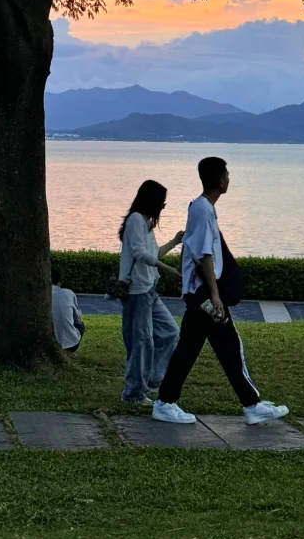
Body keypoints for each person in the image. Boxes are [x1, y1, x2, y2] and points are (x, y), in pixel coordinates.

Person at [154, 157, 289, 425]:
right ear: (220, 180)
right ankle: (251, 405)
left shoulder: (201, 208)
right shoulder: (203, 210)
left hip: (199, 294)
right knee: (227, 345)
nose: (229, 179)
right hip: (205, 294)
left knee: (192, 347)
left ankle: (166, 402)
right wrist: (215, 295)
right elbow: (205, 255)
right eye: (227, 175)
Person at [118, 180, 183, 402]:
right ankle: (133, 393)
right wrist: (168, 270)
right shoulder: (136, 220)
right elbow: (139, 253)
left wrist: (175, 242)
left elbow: (153, 254)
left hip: (149, 291)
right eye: (162, 202)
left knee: (171, 332)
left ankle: (153, 379)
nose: (163, 207)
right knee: (142, 341)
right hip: (137, 291)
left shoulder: (145, 223)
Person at [51, 264, 84, 353]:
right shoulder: (69, 293)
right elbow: (78, 320)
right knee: (80, 324)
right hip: (71, 345)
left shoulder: (37, 296)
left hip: (45, 343)